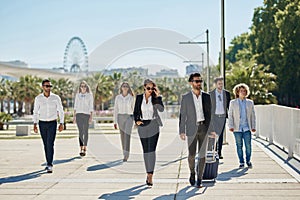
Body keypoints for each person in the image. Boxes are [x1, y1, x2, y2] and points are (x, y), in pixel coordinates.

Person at [179, 73, 215, 188]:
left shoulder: (206, 96)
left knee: (202, 155)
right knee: (191, 155)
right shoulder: (186, 97)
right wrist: (181, 130)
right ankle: (192, 173)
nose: (199, 83)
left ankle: (200, 178)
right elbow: (182, 115)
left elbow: (210, 115)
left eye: (200, 81)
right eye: (196, 81)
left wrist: (212, 129)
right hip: (191, 129)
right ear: (191, 83)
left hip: (204, 128)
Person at [133, 79, 164, 186]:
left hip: (153, 125)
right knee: (146, 151)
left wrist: (158, 97)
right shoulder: (139, 98)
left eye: (152, 88)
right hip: (142, 126)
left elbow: (161, 110)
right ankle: (147, 173)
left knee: (152, 151)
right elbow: (136, 111)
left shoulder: (156, 98)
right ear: (144, 88)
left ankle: (150, 175)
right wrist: (137, 120)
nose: (150, 90)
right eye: (148, 88)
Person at [33, 79, 64, 173]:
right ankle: (48, 161)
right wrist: (35, 124)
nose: (48, 88)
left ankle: (49, 164)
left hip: (52, 123)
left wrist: (61, 123)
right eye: (47, 86)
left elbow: (61, 111)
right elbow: (35, 112)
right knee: (45, 144)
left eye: (50, 86)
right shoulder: (38, 98)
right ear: (43, 87)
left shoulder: (56, 98)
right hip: (42, 123)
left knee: (50, 143)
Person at [228, 83, 256, 169]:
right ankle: (241, 161)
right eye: (241, 91)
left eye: (244, 91)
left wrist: (253, 126)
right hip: (237, 128)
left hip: (247, 128)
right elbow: (230, 115)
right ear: (237, 92)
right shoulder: (233, 102)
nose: (243, 92)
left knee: (248, 146)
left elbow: (253, 115)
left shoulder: (250, 102)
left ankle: (248, 160)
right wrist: (231, 126)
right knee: (239, 146)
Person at [209, 77, 230, 159]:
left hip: (223, 117)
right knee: (214, 134)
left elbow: (229, 106)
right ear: (216, 84)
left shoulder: (226, 94)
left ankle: (219, 152)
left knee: (220, 135)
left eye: (222, 83)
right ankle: (212, 151)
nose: (221, 85)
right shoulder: (211, 94)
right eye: (219, 84)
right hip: (214, 117)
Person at [113, 82, 135, 162]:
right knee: (122, 136)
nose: (125, 87)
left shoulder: (131, 97)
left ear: (128, 88)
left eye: (126, 86)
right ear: (121, 88)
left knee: (127, 136)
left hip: (129, 117)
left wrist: (136, 121)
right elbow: (115, 110)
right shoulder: (118, 98)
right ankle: (124, 152)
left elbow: (134, 109)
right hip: (120, 117)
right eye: (123, 86)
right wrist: (115, 122)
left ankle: (126, 155)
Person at [73, 81, 94, 157]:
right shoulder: (77, 95)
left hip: (86, 115)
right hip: (79, 115)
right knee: (80, 132)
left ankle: (85, 147)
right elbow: (75, 106)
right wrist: (74, 116)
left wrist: (91, 117)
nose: (83, 87)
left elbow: (91, 106)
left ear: (86, 87)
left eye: (84, 86)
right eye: (81, 86)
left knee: (86, 131)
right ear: (80, 87)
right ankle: (81, 148)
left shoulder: (89, 95)